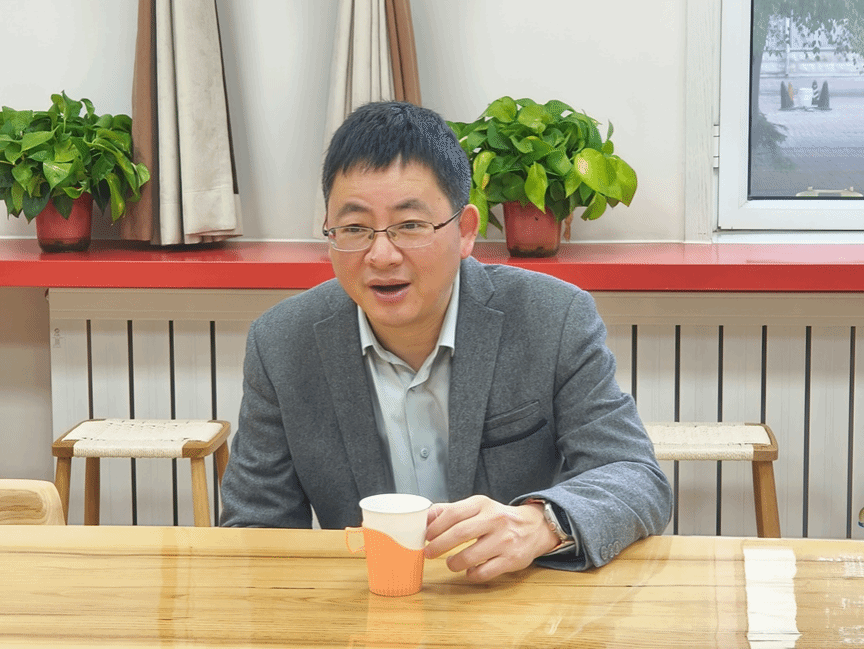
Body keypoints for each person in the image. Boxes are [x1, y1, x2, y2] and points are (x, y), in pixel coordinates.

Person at [219, 101, 673, 581]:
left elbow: (635, 475)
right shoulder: (282, 344)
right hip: (365, 603)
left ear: (465, 231)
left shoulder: (552, 317)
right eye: (354, 229)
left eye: (410, 226)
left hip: (516, 599)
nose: (381, 255)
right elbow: (255, 527)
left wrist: (542, 523)